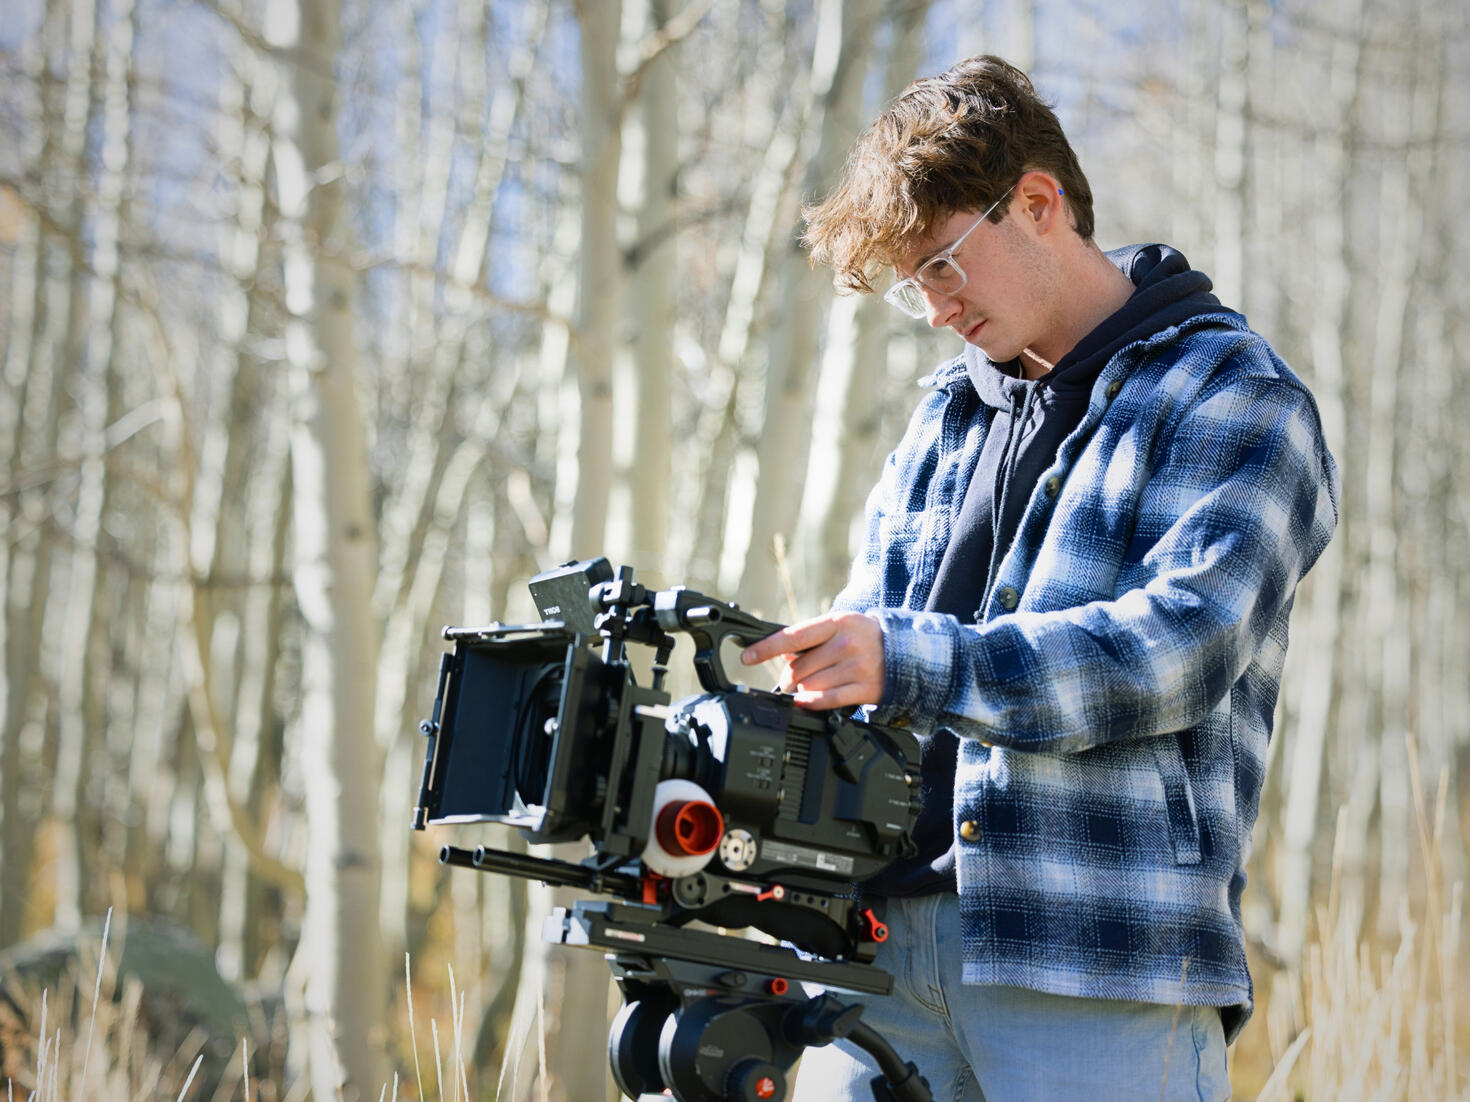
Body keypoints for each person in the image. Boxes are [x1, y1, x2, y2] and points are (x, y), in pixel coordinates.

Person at [739, 55, 1339, 1102]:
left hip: (1095, 965)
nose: (935, 308)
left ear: (1037, 203)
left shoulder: (1235, 396)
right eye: (914, 285)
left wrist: (910, 661)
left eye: (942, 264)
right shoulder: (946, 415)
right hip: (872, 964)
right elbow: (869, 644)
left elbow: (1173, 652)